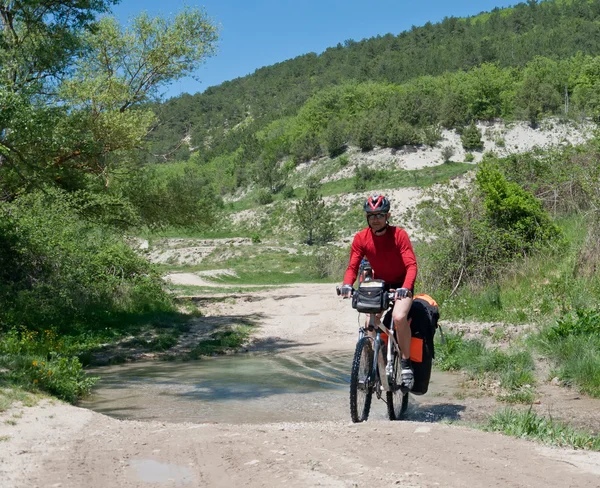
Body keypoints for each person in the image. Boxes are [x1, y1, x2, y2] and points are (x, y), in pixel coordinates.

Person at [340, 194, 418, 389]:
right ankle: (375, 365)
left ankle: (406, 364)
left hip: (401, 284)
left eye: (380, 214)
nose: (376, 219)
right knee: (370, 324)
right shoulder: (361, 238)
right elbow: (352, 266)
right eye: (372, 215)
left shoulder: (399, 235)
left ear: (387, 215)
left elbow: (411, 266)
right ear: (367, 217)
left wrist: (406, 288)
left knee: (399, 318)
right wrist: (347, 285)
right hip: (379, 283)